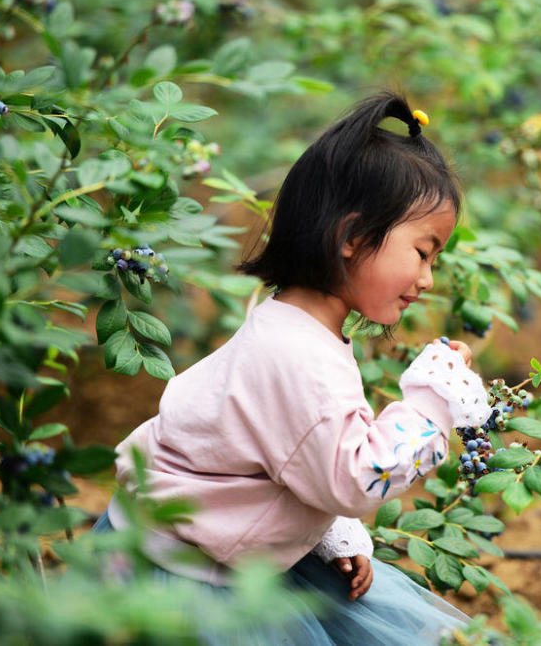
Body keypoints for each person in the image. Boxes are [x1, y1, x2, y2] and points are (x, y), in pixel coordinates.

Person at [91, 90, 493, 644]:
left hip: (220, 547)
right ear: (352, 238)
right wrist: (433, 399)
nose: (427, 279)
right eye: (423, 253)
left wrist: (332, 534)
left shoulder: (296, 326)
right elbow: (357, 477)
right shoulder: (295, 353)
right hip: (191, 584)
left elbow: (285, 450)